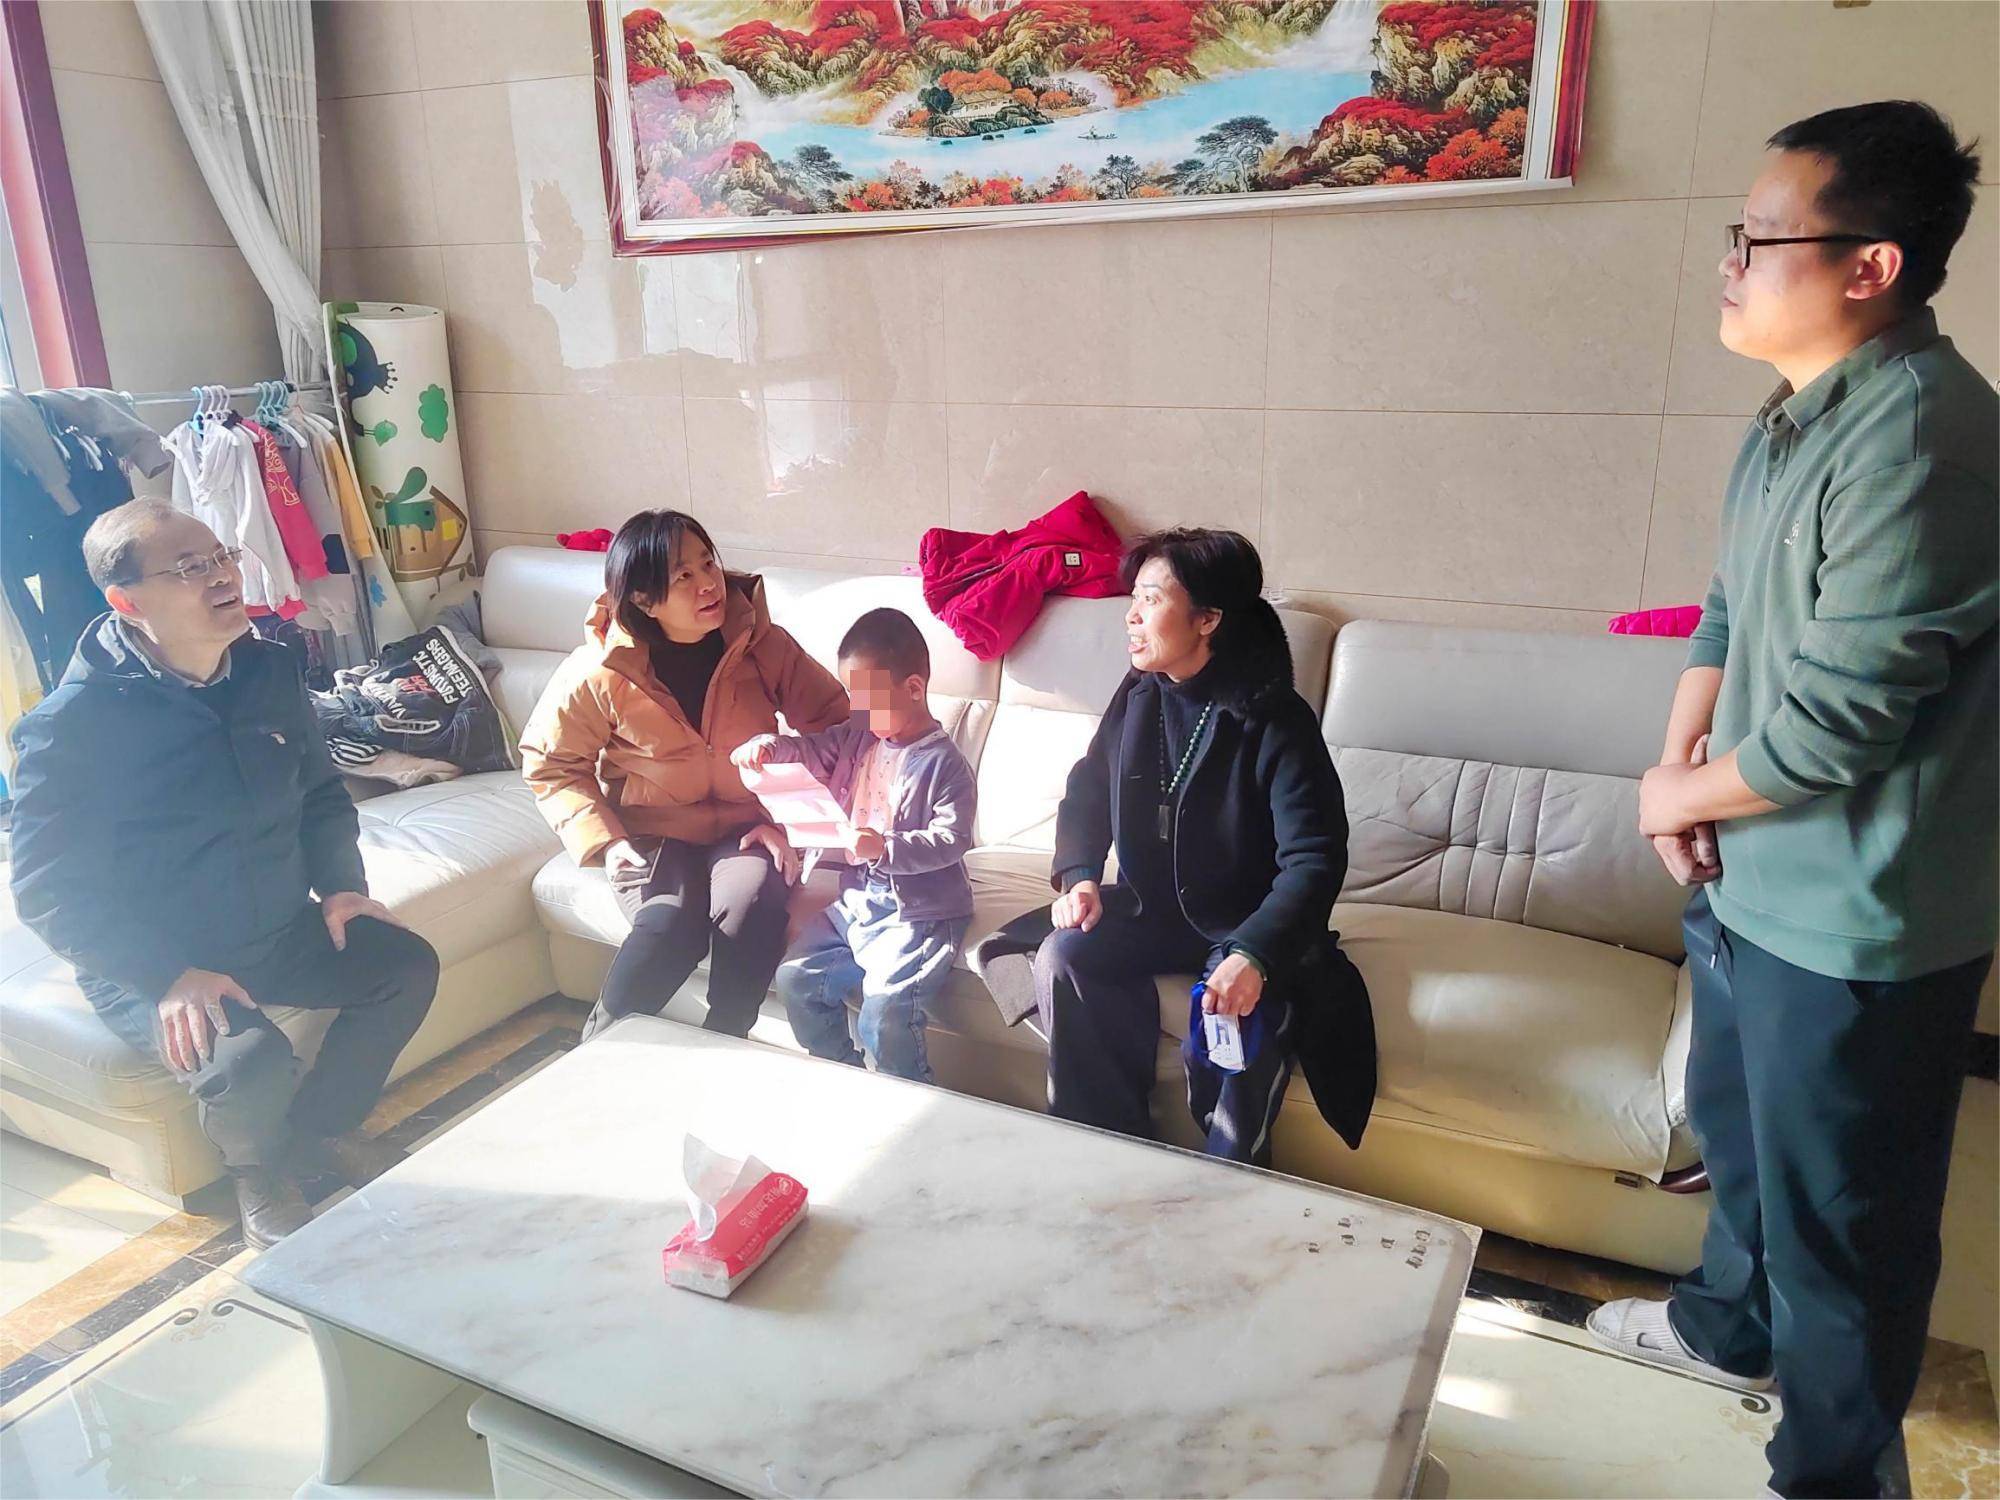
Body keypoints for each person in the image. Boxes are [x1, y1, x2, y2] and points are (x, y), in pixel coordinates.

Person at [1586, 102, 1994, 1499]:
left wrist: (1683, 793)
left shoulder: (1922, 440)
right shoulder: (1791, 417)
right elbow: (1722, 610)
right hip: (1748, 877)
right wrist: (1675, 777)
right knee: (1745, 1158)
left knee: (1844, 1235)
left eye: (1760, 239)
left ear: (1870, 266)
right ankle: (1724, 1332)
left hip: (1856, 918)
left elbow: (1837, 725)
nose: (1730, 263)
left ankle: (1827, 1475)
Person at [8, 502, 438, 1249]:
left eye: (220, 557)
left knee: (403, 966)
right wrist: (165, 976)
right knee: (250, 1061)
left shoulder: (269, 668)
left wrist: (342, 885)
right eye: (188, 568)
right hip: (157, 957)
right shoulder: (71, 726)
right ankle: (258, 1174)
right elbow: (46, 888)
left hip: (274, 924)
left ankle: (322, 1131)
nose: (220, 577)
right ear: (127, 602)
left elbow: (320, 792)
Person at [1032, 528, 1375, 1166]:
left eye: (1151, 599)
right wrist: (1079, 875)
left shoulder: (1275, 718)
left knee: (1234, 1017)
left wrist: (1254, 954)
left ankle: (1228, 1180)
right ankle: (1102, 1149)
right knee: (1066, 954)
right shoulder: (1139, 693)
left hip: (1244, 924)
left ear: (1208, 619)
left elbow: (1314, 857)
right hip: (1153, 911)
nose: (1131, 616)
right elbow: (1088, 789)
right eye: (1133, 598)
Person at [521, 510, 848, 1040]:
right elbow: (551, 764)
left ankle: (725, 1042)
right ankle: (599, 1049)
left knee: (750, 909)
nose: (708, 584)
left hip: (746, 829)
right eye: (683, 576)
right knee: (672, 923)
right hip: (651, 839)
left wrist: (786, 821)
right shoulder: (602, 671)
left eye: (707, 564)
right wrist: (606, 841)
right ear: (644, 600)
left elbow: (837, 731)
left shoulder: (762, 646)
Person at [735, 608, 976, 1082]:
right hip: (858, 901)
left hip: (919, 912)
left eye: (868, 699)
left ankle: (907, 1096)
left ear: (913, 688)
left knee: (885, 1013)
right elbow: (811, 751)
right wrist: (771, 746)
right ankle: (844, 1077)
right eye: (852, 696)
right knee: (796, 979)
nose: (858, 710)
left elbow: (952, 839)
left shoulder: (945, 764)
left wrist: (884, 848)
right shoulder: (858, 737)